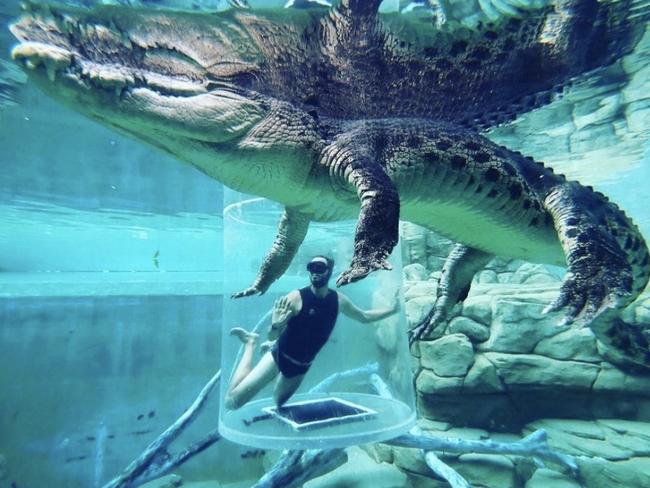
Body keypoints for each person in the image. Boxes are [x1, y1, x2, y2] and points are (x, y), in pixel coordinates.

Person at [225, 255, 399, 410]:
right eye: (312, 268)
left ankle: (270, 372)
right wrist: (276, 325)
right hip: (279, 355)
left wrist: (392, 310)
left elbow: (364, 316)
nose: (315, 272)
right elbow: (272, 335)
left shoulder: (338, 301)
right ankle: (250, 343)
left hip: (301, 366)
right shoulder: (295, 298)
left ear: (329, 271)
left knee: (278, 403)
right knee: (232, 402)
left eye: (320, 268)